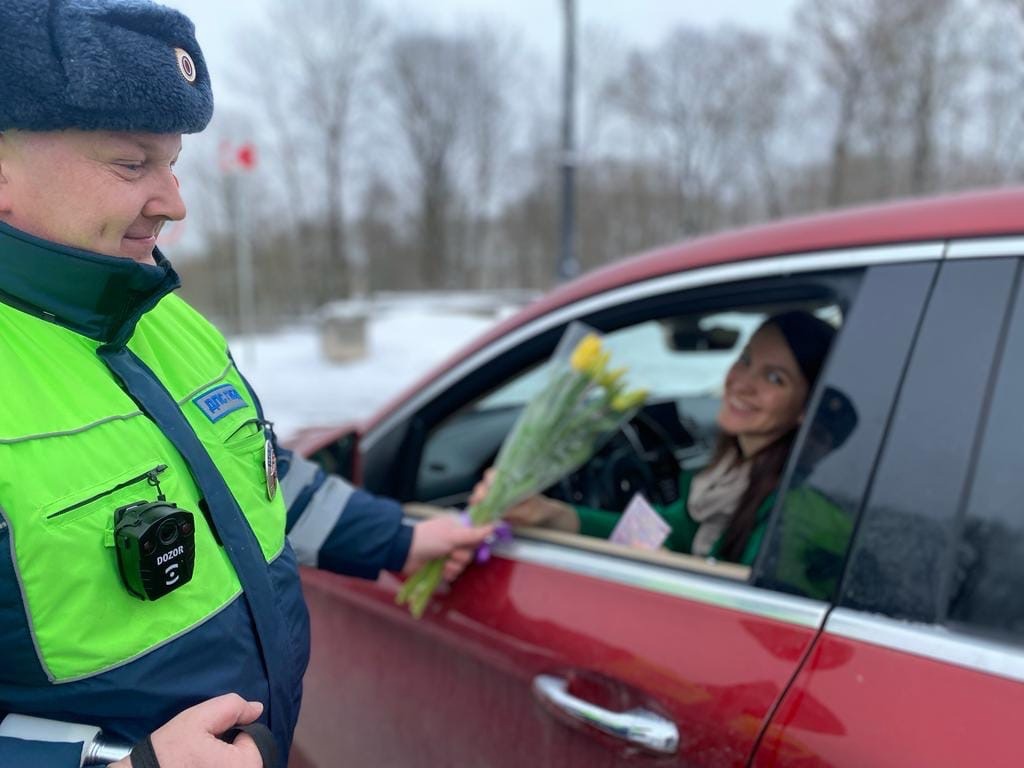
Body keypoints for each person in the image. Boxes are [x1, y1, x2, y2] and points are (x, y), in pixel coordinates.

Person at [0, 1, 493, 766]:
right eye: (132, 165)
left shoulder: (165, 318)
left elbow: (249, 476)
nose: (174, 202)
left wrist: (399, 539)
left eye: (172, 164)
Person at [473, 311, 836, 566]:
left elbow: (754, 611)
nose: (742, 382)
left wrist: (665, 569)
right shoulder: (729, 474)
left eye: (774, 378)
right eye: (745, 360)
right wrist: (550, 514)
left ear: (808, 406)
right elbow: (666, 529)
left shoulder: (797, 507)